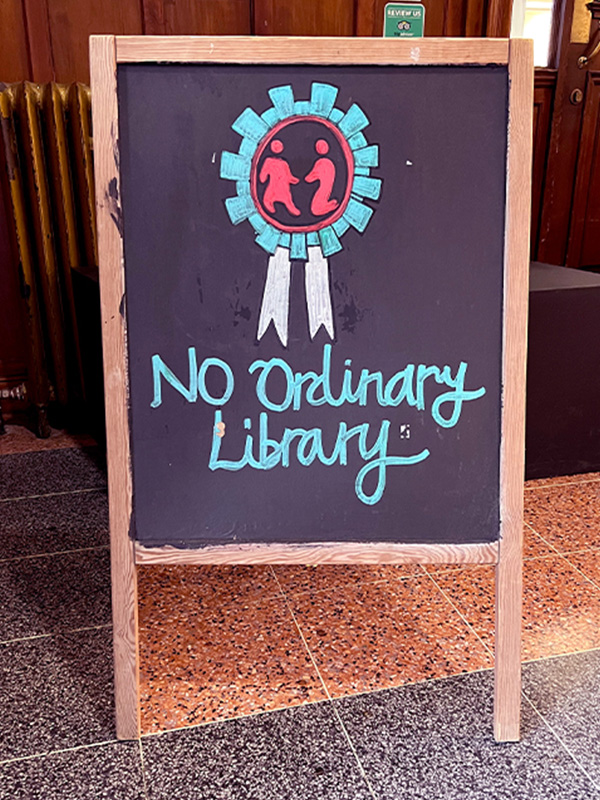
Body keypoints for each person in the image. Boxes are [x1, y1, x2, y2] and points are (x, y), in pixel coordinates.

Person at [259, 139, 301, 216]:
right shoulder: (268, 161)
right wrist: (263, 177)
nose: (277, 147)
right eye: (275, 145)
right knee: (268, 198)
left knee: (287, 199)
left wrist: (293, 180)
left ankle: (290, 206)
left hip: (283, 187)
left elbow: (288, 175)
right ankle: (269, 203)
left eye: (278, 145)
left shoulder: (284, 163)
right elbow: (262, 176)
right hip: (273, 186)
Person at [305, 139, 339, 216]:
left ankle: (326, 205)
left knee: (315, 209)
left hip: (323, 191)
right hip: (327, 189)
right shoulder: (330, 163)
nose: (321, 148)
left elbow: (310, 178)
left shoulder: (321, 163)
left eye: (322, 146)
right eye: (320, 146)